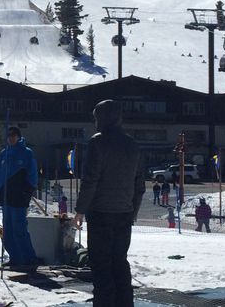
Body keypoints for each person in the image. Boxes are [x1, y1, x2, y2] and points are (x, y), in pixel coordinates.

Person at [74, 100, 143, 307]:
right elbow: (139, 184)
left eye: (96, 118)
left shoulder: (98, 142)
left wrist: (80, 210)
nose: (95, 122)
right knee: (120, 262)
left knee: (101, 265)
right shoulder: (132, 144)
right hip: (124, 213)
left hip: (101, 212)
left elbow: (91, 180)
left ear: (103, 118)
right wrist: (133, 211)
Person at [0, 126, 39, 267]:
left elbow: (33, 175)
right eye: (9, 135)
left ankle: (29, 258)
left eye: (14, 135)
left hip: (19, 197)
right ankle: (15, 257)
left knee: (19, 229)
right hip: (6, 197)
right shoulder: (3, 154)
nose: (11, 138)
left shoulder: (26, 153)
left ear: (19, 137)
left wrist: (28, 191)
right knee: (7, 230)